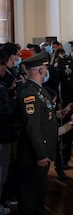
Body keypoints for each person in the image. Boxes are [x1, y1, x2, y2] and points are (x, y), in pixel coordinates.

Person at [15, 52, 58, 214]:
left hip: (43, 152)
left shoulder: (39, 90)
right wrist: (40, 154)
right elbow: (32, 127)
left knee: (39, 191)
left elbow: (45, 117)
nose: (47, 71)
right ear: (41, 71)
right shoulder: (30, 94)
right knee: (30, 197)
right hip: (33, 155)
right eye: (46, 68)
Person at [55, 38, 73, 180]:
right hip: (67, 102)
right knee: (66, 133)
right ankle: (64, 159)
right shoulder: (63, 62)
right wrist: (59, 101)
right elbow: (57, 83)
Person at [0, 46, 16, 215]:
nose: (6, 68)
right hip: (2, 136)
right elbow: (6, 114)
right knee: (1, 172)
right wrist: (15, 100)